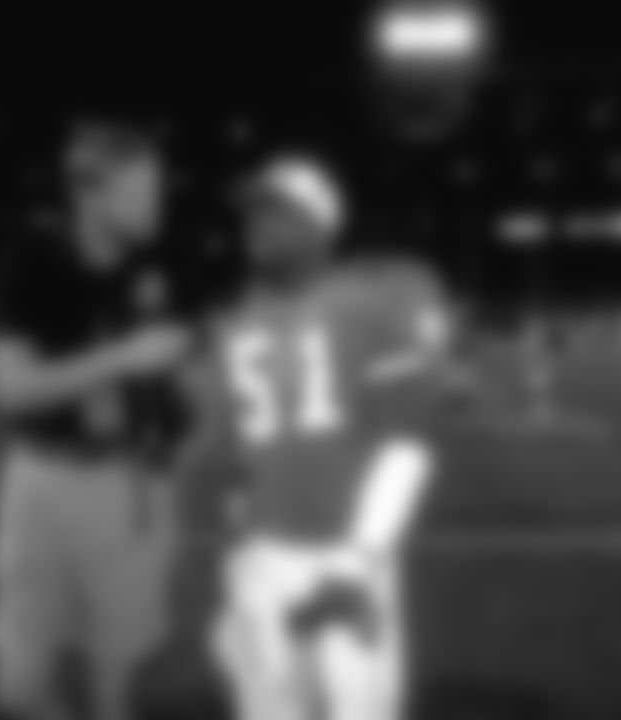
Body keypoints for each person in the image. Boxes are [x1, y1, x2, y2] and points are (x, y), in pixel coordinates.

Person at [176, 154, 455, 720]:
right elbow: (235, 460)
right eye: (251, 213)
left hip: (344, 552)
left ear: (318, 222)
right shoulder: (235, 320)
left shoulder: (374, 303)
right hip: (262, 558)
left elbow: (410, 445)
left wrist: (358, 561)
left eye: (273, 211)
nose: (254, 225)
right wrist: (236, 556)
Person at [0, 117, 198, 720]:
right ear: (89, 192)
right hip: (39, 484)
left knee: (114, 676)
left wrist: (177, 434)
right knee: (17, 688)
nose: (158, 203)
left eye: (158, 188)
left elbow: (175, 382)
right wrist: (123, 358)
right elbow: (9, 391)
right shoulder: (31, 260)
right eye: (141, 190)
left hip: (128, 485)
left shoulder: (163, 269)